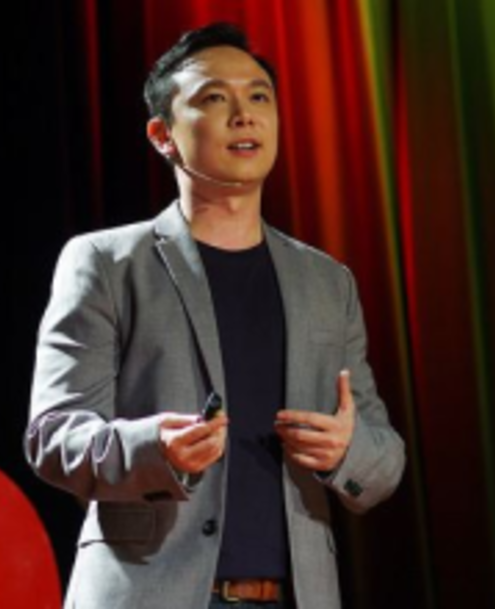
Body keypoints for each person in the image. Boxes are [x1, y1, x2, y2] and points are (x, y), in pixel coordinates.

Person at [25, 22, 405, 609]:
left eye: (259, 97)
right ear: (163, 135)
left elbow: (385, 455)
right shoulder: (105, 263)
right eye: (214, 98)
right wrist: (154, 447)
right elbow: (54, 436)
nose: (244, 115)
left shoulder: (328, 282)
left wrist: (345, 450)